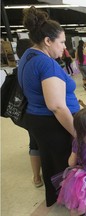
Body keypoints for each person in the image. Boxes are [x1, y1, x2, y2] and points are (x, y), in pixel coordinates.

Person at [19, 6, 80, 207]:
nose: (64, 48)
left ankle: (58, 199)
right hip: (53, 123)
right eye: (62, 42)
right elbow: (56, 106)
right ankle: (70, 203)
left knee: (51, 162)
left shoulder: (28, 54)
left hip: (38, 120)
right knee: (64, 165)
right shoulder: (47, 64)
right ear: (48, 41)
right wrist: (77, 133)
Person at [16, 38, 43, 188]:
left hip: (27, 113)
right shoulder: (34, 67)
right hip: (37, 112)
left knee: (34, 144)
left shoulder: (20, 68)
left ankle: (36, 177)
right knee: (40, 144)